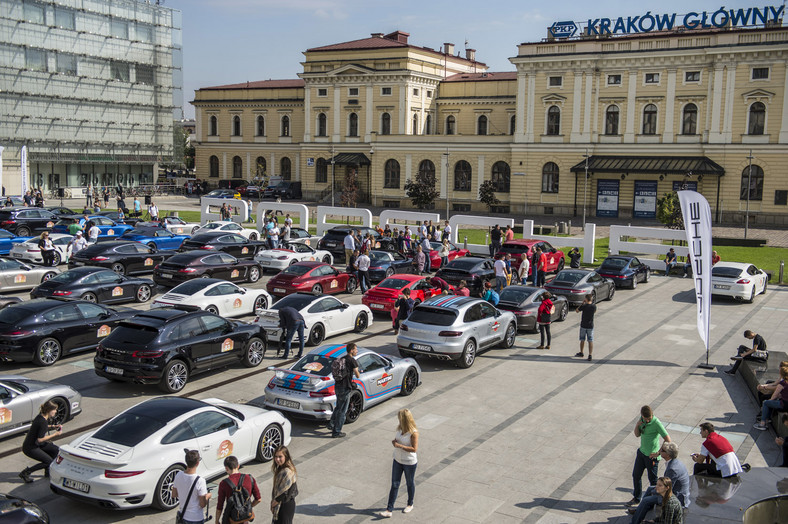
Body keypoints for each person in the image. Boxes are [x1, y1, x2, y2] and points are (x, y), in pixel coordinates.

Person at [628, 442, 690, 524]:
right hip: (675, 492)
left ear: (667, 454)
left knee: (646, 500)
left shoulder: (672, 469)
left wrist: (655, 491)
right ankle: (640, 509)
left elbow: (666, 489)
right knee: (650, 488)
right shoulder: (675, 462)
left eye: (662, 450)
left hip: (676, 497)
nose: (660, 451)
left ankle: (635, 522)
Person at [628, 405, 671, 507]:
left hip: (652, 456)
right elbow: (637, 434)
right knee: (636, 475)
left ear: (652, 415)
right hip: (641, 453)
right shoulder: (641, 420)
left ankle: (654, 501)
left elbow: (668, 439)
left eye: (649, 418)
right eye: (645, 418)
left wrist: (659, 452)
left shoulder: (656, 423)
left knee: (653, 480)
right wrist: (638, 424)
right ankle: (637, 498)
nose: (647, 421)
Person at [380, 409, 419, 518]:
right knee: (395, 484)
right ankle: (389, 509)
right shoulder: (400, 429)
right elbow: (398, 439)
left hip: (409, 462)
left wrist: (400, 446)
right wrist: (395, 442)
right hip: (397, 459)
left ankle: (410, 503)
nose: (398, 420)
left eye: (400, 418)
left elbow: (414, 449)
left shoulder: (414, 433)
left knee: (409, 482)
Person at [19, 400, 62, 483]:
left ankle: (47, 471)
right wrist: (55, 434)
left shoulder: (40, 417)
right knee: (48, 461)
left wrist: (53, 426)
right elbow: (40, 439)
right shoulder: (42, 421)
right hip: (31, 448)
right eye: (55, 410)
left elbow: (44, 426)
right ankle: (25, 473)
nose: (56, 412)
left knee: (55, 450)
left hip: (36, 444)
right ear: (49, 410)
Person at [215, 455, 261, 524]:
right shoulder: (249, 478)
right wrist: (247, 507)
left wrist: (217, 520)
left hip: (232, 519)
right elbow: (258, 499)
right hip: (245, 519)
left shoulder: (224, 483)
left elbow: (220, 506)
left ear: (226, 468)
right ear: (238, 466)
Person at [327, 343, 360, 438]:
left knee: (338, 407)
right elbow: (357, 375)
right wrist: (357, 371)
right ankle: (336, 431)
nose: (356, 351)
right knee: (343, 410)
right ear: (351, 350)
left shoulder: (342, 359)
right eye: (355, 349)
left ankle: (331, 424)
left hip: (337, 386)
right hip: (345, 388)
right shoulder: (352, 361)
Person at [173, 450, 211, 524]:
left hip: (183, 516)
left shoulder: (178, 475)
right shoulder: (200, 481)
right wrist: (207, 496)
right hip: (196, 518)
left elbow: (174, 494)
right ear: (197, 463)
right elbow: (202, 504)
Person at [753, 365, 788, 431]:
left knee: (766, 403)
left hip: (784, 405)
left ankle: (762, 424)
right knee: (772, 402)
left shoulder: (783, 383)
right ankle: (767, 419)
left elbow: (775, 394)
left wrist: (770, 400)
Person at [270, 446, 298, 524]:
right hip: (283, 503)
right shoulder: (281, 468)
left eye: (280, 457)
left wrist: (273, 503)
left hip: (285, 505)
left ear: (286, 456)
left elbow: (284, 492)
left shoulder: (287, 471)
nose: (277, 459)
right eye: (276, 456)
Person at [575, 294, 596, 361]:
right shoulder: (594, 306)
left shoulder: (584, 306)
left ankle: (581, 352)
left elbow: (577, 310)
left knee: (582, 339)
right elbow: (594, 312)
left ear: (586, 299)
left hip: (583, 325)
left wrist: (582, 304)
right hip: (590, 325)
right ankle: (590, 354)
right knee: (590, 340)